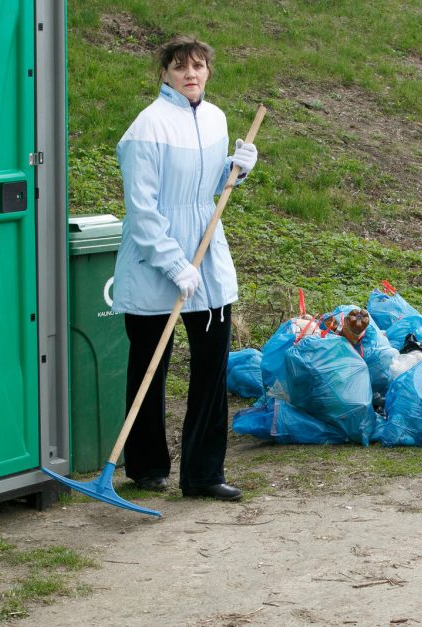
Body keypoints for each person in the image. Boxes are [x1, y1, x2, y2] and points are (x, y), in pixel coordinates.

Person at [111, 35, 258, 502]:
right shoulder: (146, 128)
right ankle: (146, 465)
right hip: (155, 256)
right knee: (149, 365)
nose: (189, 74)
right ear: (165, 74)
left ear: (208, 72)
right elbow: (143, 211)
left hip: (205, 253)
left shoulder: (214, 117)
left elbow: (208, 186)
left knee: (213, 362)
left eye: (197, 66)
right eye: (179, 68)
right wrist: (174, 264)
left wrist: (236, 169)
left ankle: (203, 473)